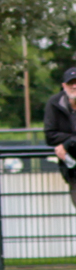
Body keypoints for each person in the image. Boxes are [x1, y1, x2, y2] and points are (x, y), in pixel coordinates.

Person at [43, 66, 76, 208]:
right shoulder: (54, 102)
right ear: (64, 86)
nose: (74, 86)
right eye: (71, 83)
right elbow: (50, 136)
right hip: (72, 167)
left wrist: (67, 143)